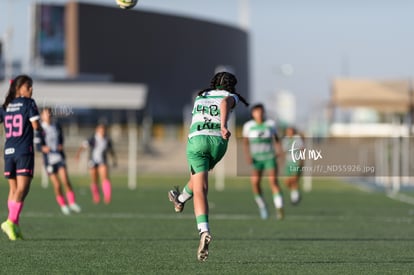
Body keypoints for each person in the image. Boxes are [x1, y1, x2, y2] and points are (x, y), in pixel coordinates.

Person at [167, 71, 249, 261]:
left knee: (200, 188)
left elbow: (221, 103)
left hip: (197, 140)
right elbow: (225, 102)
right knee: (198, 182)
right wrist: (222, 126)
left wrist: (221, 124)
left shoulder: (201, 95)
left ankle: (203, 231)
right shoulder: (231, 95)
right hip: (218, 142)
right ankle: (179, 199)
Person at [0, 75, 45, 240]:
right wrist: (42, 127)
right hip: (23, 151)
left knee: (13, 190)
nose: (31, 90)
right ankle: (10, 221)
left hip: (8, 151)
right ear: (19, 88)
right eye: (28, 87)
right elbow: (35, 125)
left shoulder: (6, 106)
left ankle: (15, 227)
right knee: (22, 189)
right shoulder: (29, 103)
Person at [242, 103, 284, 220]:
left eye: (261, 111)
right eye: (256, 112)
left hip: (269, 157)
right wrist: (247, 155)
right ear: (253, 113)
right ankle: (262, 205)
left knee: (273, 181)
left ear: (264, 112)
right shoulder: (248, 126)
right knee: (255, 182)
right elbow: (245, 143)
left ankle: (279, 207)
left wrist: (279, 150)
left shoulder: (270, 124)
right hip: (256, 158)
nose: (259, 114)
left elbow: (276, 139)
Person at [38, 107, 81, 215]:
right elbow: (37, 146)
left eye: (50, 113)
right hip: (49, 160)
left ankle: (72, 202)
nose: (48, 115)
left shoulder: (56, 125)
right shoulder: (39, 129)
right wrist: (43, 148)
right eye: (46, 114)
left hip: (59, 157)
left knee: (65, 180)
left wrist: (61, 145)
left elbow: (61, 138)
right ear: (42, 116)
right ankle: (63, 205)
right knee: (57, 185)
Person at [76, 123, 117, 204]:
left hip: (102, 161)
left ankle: (107, 196)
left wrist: (114, 159)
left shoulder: (107, 139)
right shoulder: (92, 139)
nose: (102, 131)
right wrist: (78, 154)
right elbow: (83, 146)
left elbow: (111, 151)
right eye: (100, 129)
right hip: (93, 160)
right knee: (94, 179)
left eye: (103, 130)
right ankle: (96, 196)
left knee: (105, 177)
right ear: (97, 130)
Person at [281, 126, 304, 205]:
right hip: (288, 163)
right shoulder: (285, 140)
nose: (289, 133)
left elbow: (302, 150)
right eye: (288, 131)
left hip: (296, 162)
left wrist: (301, 162)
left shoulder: (297, 139)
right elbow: (284, 151)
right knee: (287, 182)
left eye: (291, 131)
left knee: (294, 180)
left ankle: (295, 197)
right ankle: (295, 193)